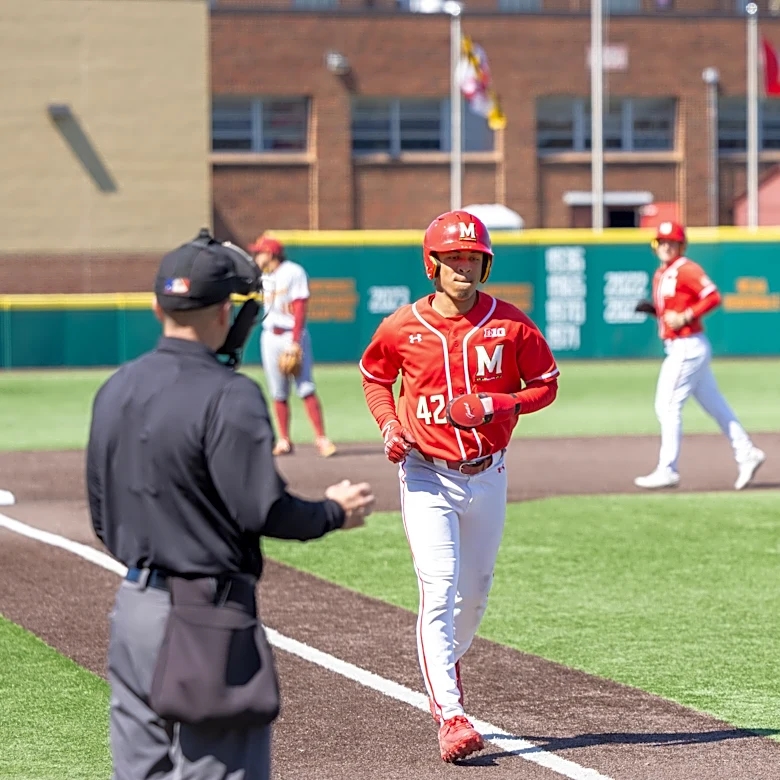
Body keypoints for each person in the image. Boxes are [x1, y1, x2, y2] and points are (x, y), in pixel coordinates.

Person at [86, 228, 374, 780]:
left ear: (156, 306)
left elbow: (102, 516)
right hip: (207, 618)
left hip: (133, 610)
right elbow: (263, 509)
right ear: (228, 312)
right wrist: (332, 511)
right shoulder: (229, 393)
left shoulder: (116, 387)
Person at [359, 210, 559, 763]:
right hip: (425, 472)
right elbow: (376, 376)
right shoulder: (402, 326)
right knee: (440, 586)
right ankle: (450, 713)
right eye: (452, 259)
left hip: (489, 473)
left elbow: (546, 385)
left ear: (486, 263)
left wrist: (501, 402)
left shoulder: (512, 324)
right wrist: (391, 426)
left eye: (472, 257)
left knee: (475, 597)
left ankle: (441, 661)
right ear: (433, 264)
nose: (463, 268)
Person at [633, 220, 766, 490]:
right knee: (716, 406)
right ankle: (747, 452)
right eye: (663, 241)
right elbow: (672, 309)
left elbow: (712, 296)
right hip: (682, 345)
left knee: (667, 406)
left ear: (682, 246)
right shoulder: (663, 273)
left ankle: (667, 469)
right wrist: (657, 311)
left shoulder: (686, 269)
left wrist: (687, 315)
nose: (667, 246)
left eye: (673, 242)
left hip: (687, 346)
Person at [248, 234, 336, 458]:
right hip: (270, 336)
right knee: (278, 392)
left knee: (305, 387)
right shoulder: (264, 276)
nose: (256, 255)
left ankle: (321, 439)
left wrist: (295, 342)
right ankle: (284, 440)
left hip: (291, 335)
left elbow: (299, 307)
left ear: (271, 253)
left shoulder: (293, 272)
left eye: (260, 252)